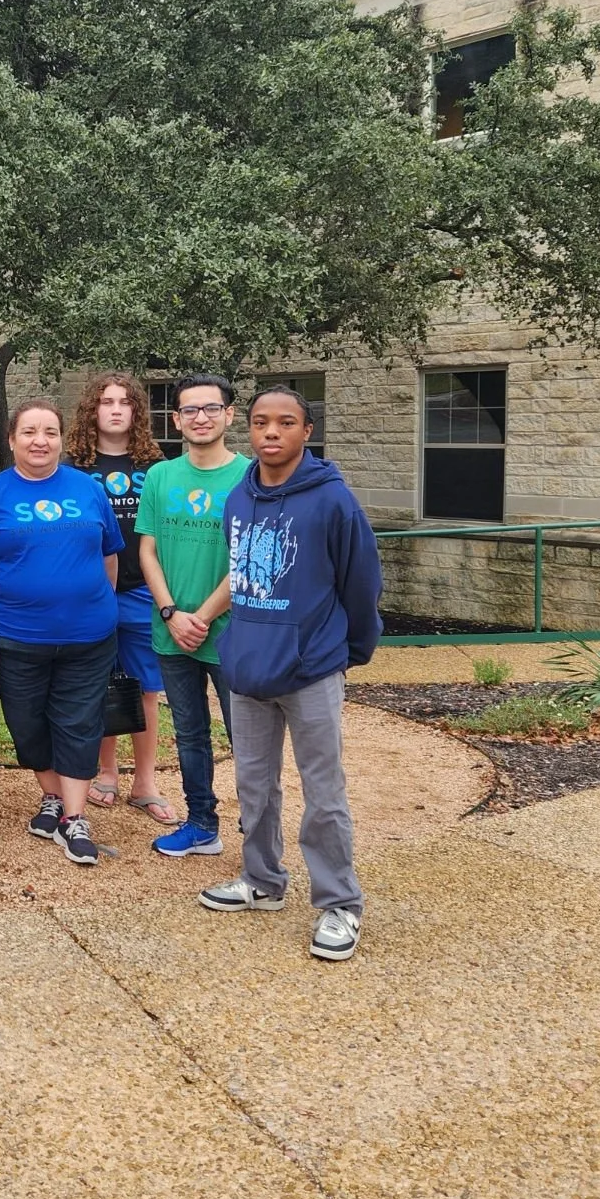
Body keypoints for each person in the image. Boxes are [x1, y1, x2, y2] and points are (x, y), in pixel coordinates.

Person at [198, 385, 382, 963]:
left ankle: (339, 903)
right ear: (247, 431)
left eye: (285, 423)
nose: (270, 432)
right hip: (250, 666)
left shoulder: (333, 502)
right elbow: (239, 578)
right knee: (254, 784)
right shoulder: (238, 500)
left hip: (311, 668)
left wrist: (349, 648)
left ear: (307, 431)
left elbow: (361, 583)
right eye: (259, 423)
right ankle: (261, 881)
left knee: (322, 791)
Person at [0, 399, 122, 866]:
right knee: (27, 724)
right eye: (30, 432)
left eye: (50, 432)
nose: (41, 441)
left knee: (78, 722)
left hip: (88, 637)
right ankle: (51, 796)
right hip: (16, 636)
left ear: (61, 438)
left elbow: (110, 554)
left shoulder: (88, 489)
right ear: (12, 440)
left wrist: (100, 603)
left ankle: (74, 819)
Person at [137, 373, 250, 859]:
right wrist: (170, 613)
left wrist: (199, 616)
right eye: (188, 411)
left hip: (232, 634)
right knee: (189, 734)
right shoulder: (161, 476)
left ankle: (259, 833)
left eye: (209, 408)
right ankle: (201, 823)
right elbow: (147, 549)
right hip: (171, 634)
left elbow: (248, 558)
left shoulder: (249, 476)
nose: (199, 418)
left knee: (246, 735)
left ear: (229, 414)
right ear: (176, 420)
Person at [66, 373, 176, 825]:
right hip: (90, 593)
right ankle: (106, 772)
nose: (115, 409)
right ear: (92, 410)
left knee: (146, 689)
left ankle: (145, 781)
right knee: (98, 686)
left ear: (136, 411)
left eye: (124, 402)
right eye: (105, 401)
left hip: (140, 592)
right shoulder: (73, 466)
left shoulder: (156, 466)